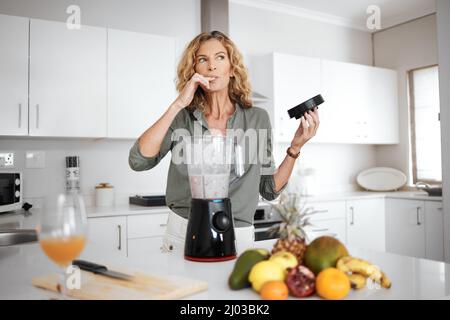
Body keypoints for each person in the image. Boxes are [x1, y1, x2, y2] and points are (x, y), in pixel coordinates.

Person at [129, 30, 319, 253]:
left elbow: (269, 189)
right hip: (183, 230)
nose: (212, 66)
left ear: (232, 69)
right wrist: (178, 104)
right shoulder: (181, 117)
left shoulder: (257, 118)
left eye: (220, 57)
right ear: (194, 71)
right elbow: (139, 161)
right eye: (203, 60)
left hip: (238, 233)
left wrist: (295, 148)